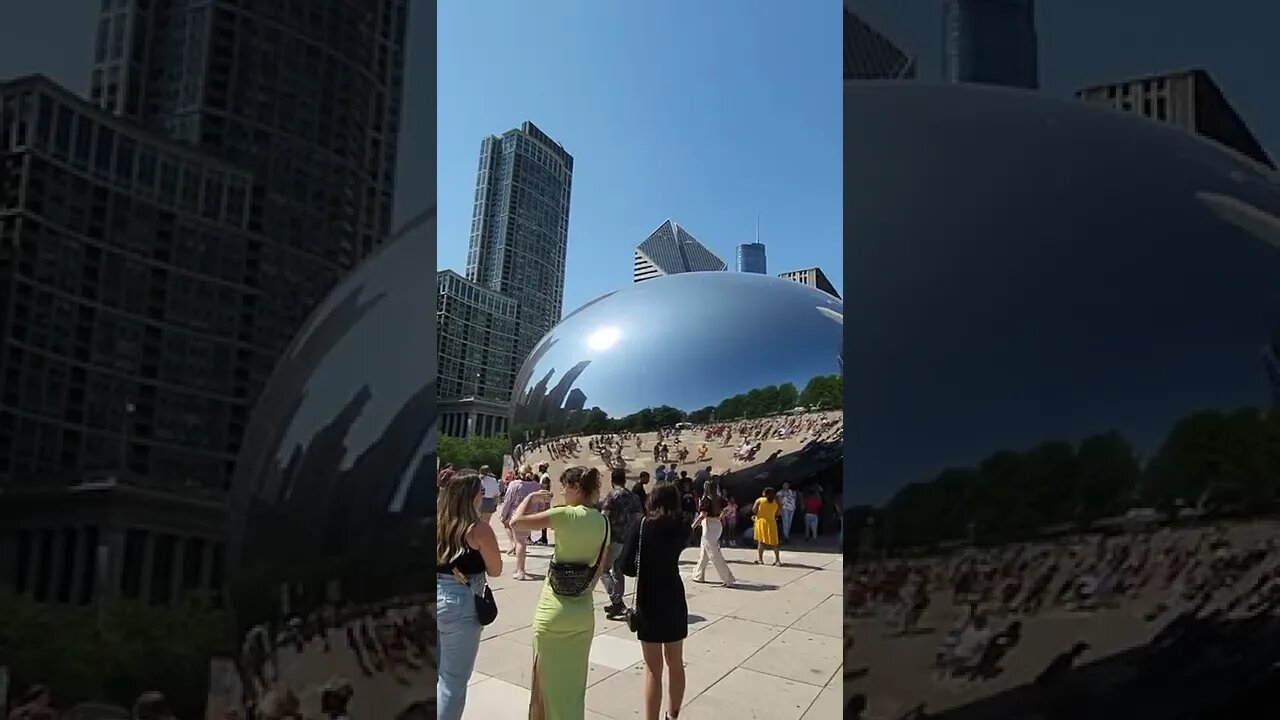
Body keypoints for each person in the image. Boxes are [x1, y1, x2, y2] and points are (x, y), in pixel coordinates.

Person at [511, 466, 609, 720]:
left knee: (542, 687)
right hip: (582, 614)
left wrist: (528, 499)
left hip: (552, 611)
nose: (563, 493)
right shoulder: (603, 521)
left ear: (576, 487)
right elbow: (598, 571)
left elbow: (516, 523)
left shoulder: (564, 515)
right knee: (573, 688)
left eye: (566, 487)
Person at [436, 471, 503, 720]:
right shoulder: (478, 530)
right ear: (473, 496)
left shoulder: (438, 521)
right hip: (460, 600)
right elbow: (495, 570)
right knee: (452, 683)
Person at [623, 484, 691, 720]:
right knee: (676, 662)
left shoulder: (642, 525)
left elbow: (626, 566)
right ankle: (672, 716)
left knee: (653, 668)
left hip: (648, 598)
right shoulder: (682, 527)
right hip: (673, 595)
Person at [601, 467, 643, 617]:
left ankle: (616, 601)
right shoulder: (634, 497)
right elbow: (639, 517)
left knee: (603, 570)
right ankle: (616, 602)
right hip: (628, 539)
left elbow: (604, 516)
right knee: (618, 571)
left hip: (613, 538)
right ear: (625, 480)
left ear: (612, 481)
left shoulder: (612, 496)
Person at [690, 482, 736, 587]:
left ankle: (728, 578)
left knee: (713, 553)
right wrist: (721, 516)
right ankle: (698, 575)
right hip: (717, 524)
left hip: (708, 525)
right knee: (704, 551)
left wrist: (692, 526)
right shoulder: (719, 499)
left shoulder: (706, 500)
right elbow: (728, 508)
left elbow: (702, 515)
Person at [501, 468, 543, 577]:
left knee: (520, 543)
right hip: (531, 515)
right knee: (522, 542)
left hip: (516, 515)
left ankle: (520, 570)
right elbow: (541, 502)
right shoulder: (537, 486)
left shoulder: (514, 485)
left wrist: (503, 515)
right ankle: (519, 567)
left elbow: (508, 500)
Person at [752, 487, 783, 566]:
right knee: (775, 543)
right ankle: (777, 560)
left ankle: (760, 559)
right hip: (772, 522)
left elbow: (754, 510)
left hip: (761, 522)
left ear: (764, 493)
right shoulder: (776, 502)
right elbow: (778, 513)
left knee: (761, 542)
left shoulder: (759, 500)